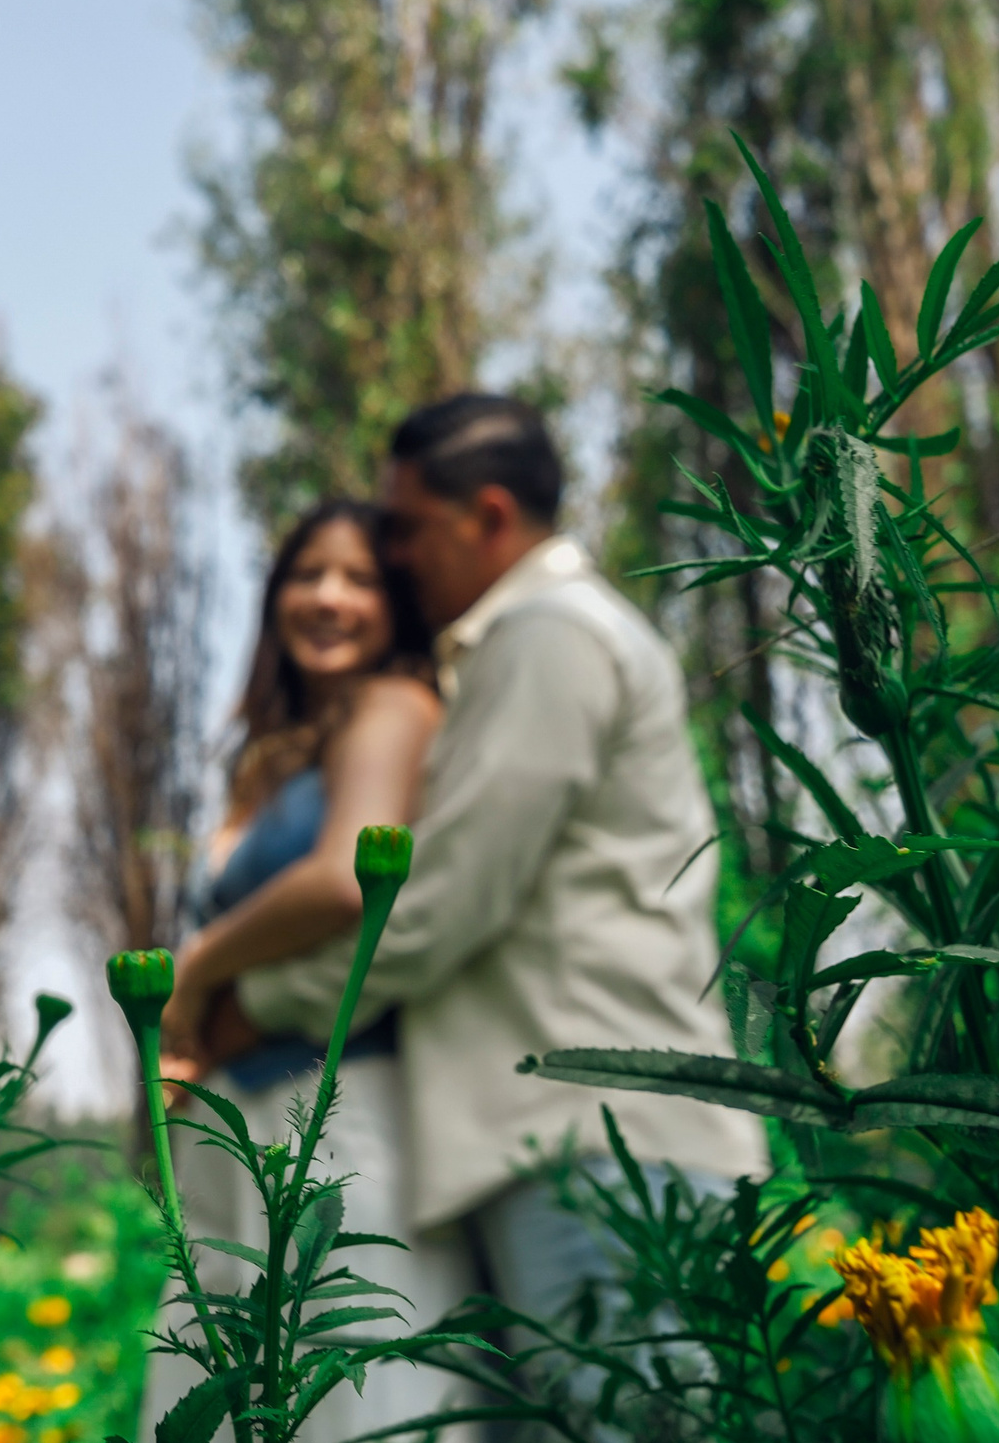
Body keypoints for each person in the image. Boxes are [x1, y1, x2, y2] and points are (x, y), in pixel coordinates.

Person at [229, 393, 769, 1353]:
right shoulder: (532, 644)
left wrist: (260, 999)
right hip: (576, 1143)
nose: (393, 556)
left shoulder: (549, 637)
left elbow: (441, 901)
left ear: (486, 516)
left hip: (601, 1145)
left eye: (404, 528)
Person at [138, 498, 477, 1443]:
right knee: (203, 1430)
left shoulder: (394, 704)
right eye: (307, 574)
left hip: (340, 1120)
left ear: (397, 606)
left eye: (361, 579)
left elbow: (343, 878)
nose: (329, 599)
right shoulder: (264, 755)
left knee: (356, 1429)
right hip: (228, 1126)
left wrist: (191, 972)